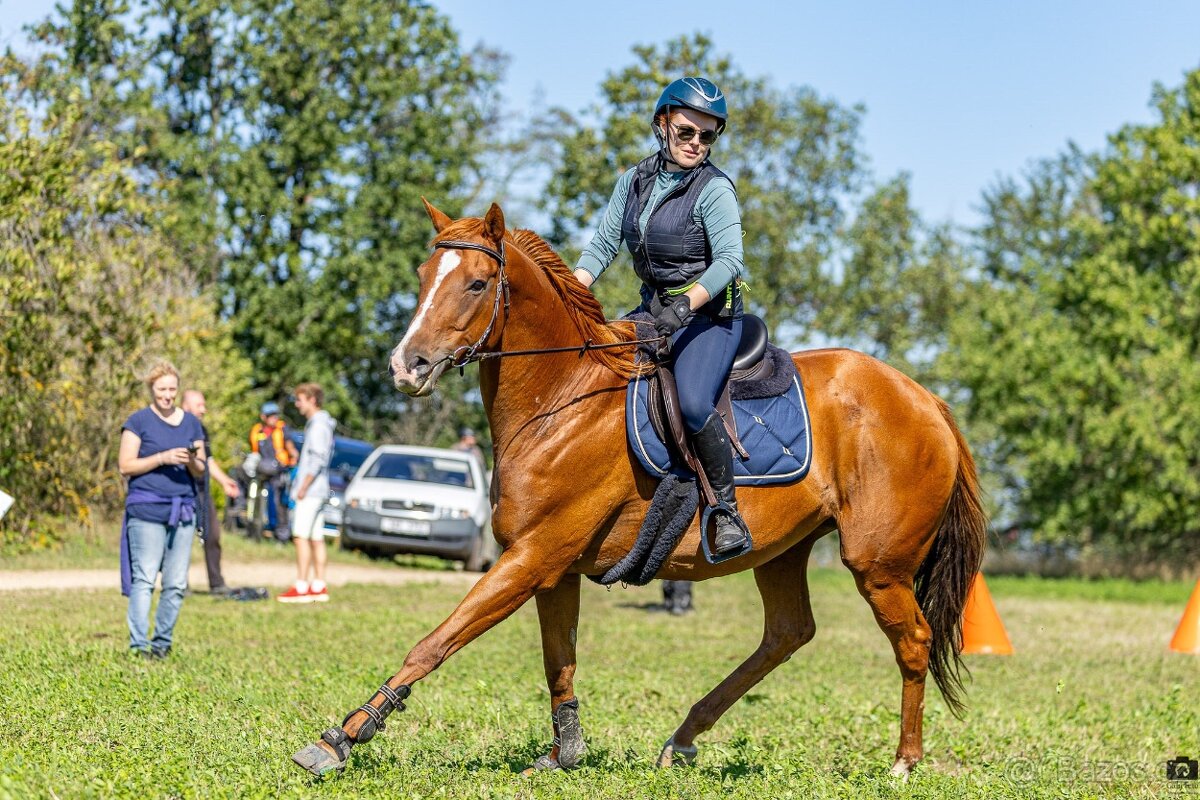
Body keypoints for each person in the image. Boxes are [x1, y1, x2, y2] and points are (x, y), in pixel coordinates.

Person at [572, 76, 749, 554]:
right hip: (654, 310)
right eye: (687, 131)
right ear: (662, 124)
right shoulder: (633, 181)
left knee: (692, 402)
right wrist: (572, 290)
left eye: (707, 136)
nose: (696, 144)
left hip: (710, 317)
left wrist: (684, 304)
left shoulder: (715, 190)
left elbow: (729, 261)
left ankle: (726, 511)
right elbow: (604, 244)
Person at [117, 361, 206, 658]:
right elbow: (125, 465)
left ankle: (162, 643)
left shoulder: (192, 423)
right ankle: (139, 645)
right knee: (144, 579)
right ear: (151, 389)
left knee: (176, 583)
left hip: (182, 510)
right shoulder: (138, 422)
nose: (167, 395)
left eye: (171, 389)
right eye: (161, 389)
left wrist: (191, 460)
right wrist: (163, 457)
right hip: (146, 509)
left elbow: (200, 469)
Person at [278, 383, 336, 603]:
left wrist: (303, 486)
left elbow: (318, 458)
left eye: (300, 399)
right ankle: (319, 585)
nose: (297, 404)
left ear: (312, 400)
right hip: (318, 490)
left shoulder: (318, 426)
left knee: (300, 536)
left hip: (310, 491)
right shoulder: (320, 424)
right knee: (315, 537)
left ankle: (302, 585)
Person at [180, 389, 241, 595]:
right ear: (186, 406)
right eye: (200, 405)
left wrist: (224, 481)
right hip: (183, 489)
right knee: (182, 538)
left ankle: (217, 583)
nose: (204, 410)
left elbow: (208, 460)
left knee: (213, 534)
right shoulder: (176, 427)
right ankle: (180, 584)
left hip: (203, 490)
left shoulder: (201, 430)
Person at [248, 400, 297, 540]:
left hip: (278, 470)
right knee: (241, 474)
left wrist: (293, 455)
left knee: (279, 501)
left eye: (276, 415)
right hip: (261, 470)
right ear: (264, 417)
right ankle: (250, 522)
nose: (275, 418)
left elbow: (289, 445)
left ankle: (281, 535)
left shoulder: (282, 429)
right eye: (271, 415)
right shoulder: (257, 430)